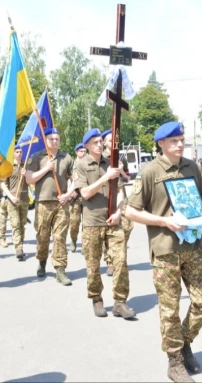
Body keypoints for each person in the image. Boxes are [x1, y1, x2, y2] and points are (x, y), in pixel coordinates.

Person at [125, 121, 202, 383]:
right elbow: (131, 210)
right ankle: (175, 360)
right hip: (166, 250)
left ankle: (184, 340)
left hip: (195, 245)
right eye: (173, 141)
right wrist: (164, 221)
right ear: (161, 144)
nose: (179, 144)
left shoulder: (193, 167)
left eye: (181, 139)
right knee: (169, 308)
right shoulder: (150, 172)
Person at [74, 128, 135, 319]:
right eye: (95, 143)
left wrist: (118, 212)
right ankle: (96, 298)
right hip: (92, 223)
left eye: (101, 142)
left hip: (113, 221)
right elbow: (85, 193)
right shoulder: (81, 165)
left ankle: (120, 302)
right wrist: (105, 177)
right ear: (87, 146)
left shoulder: (111, 163)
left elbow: (119, 191)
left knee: (120, 261)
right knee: (93, 264)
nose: (100, 145)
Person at [26, 128, 74, 286]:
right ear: (45, 141)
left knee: (60, 236)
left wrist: (68, 194)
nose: (54, 141)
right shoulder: (37, 157)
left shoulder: (66, 157)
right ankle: (42, 260)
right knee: (43, 236)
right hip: (43, 203)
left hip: (61, 203)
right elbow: (29, 179)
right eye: (51, 139)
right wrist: (46, 169)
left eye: (57, 139)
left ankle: (60, 270)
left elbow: (76, 179)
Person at [101, 129, 134, 277]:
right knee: (108, 230)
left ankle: (118, 254)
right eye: (109, 140)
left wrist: (121, 171)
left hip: (122, 198)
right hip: (106, 198)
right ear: (104, 143)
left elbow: (128, 179)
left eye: (115, 140)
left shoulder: (121, 158)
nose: (113, 143)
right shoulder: (101, 158)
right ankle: (110, 261)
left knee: (127, 227)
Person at [0, 144, 30, 259]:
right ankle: (18, 248)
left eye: (20, 152)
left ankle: (20, 244)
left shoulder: (26, 165)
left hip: (24, 199)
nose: (19, 154)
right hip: (12, 200)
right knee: (15, 223)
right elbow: (3, 184)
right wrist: (10, 197)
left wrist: (26, 174)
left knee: (22, 224)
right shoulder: (8, 166)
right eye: (17, 152)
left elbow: (31, 182)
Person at [69, 142, 87, 253]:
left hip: (86, 197)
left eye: (85, 151)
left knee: (86, 223)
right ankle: (73, 240)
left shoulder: (89, 164)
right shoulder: (72, 165)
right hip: (75, 198)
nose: (83, 153)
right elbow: (71, 179)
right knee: (74, 222)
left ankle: (85, 244)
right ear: (76, 152)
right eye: (81, 151)